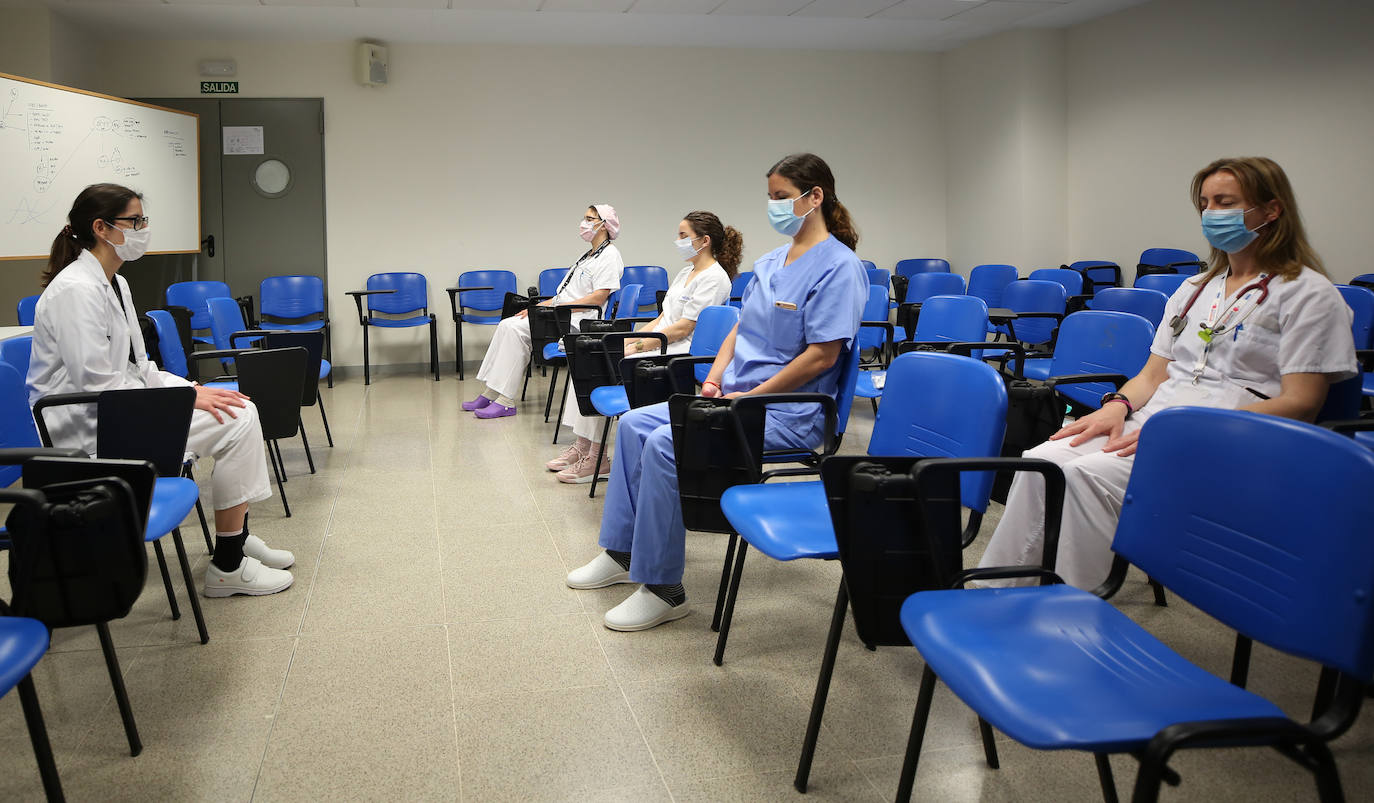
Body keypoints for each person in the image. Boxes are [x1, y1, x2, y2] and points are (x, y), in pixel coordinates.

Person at [978, 156, 1357, 590]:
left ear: (1271, 210)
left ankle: (1065, 614)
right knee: (1041, 460)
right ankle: (994, 592)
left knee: (1087, 478)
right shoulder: (1196, 289)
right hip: (1158, 421)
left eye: (1226, 202)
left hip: (1237, 438)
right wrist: (1117, 405)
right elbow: (1153, 375)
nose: (1213, 213)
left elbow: (1303, 402)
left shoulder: (1309, 294)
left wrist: (1187, 430)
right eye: (1206, 204)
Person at [565, 153, 867, 631]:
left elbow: (823, 357)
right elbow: (738, 331)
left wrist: (748, 398)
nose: (775, 207)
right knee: (637, 424)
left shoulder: (840, 268)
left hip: (783, 412)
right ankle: (622, 552)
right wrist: (712, 381)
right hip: (731, 399)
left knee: (667, 444)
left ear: (816, 198)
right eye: (770, 198)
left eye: (783, 198)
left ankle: (665, 588)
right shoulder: (771, 263)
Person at [28, 183, 295, 597]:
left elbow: (140, 367)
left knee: (237, 405)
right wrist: (183, 400)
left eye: (143, 220)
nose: (143, 229)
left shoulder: (115, 282)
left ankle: (236, 540)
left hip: (120, 410)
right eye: (134, 221)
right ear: (101, 228)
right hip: (89, 428)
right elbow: (97, 384)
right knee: (239, 420)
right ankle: (228, 563)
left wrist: (189, 390)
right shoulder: (75, 291)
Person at [548, 211, 739, 484]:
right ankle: (584, 445)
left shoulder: (714, 277)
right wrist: (626, 340)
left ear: (705, 240)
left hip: (680, 351)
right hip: (663, 342)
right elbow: (663, 318)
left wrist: (635, 346)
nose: (678, 240)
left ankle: (596, 458)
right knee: (591, 356)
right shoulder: (686, 271)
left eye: (684, 235)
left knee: (600, 364)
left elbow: (683, 329)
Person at [462, 204, 624, 419]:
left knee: (516, 331)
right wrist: (539, 307)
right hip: (562, 314)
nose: (583, 223)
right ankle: (491, 392)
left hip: (578, 321)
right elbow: (565, 294)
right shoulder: (588, 255)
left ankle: (505, 401)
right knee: (507, 323)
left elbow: (598, 297)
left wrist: (555, 309)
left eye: (589, 218)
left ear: (603, 225)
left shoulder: (610, 256)